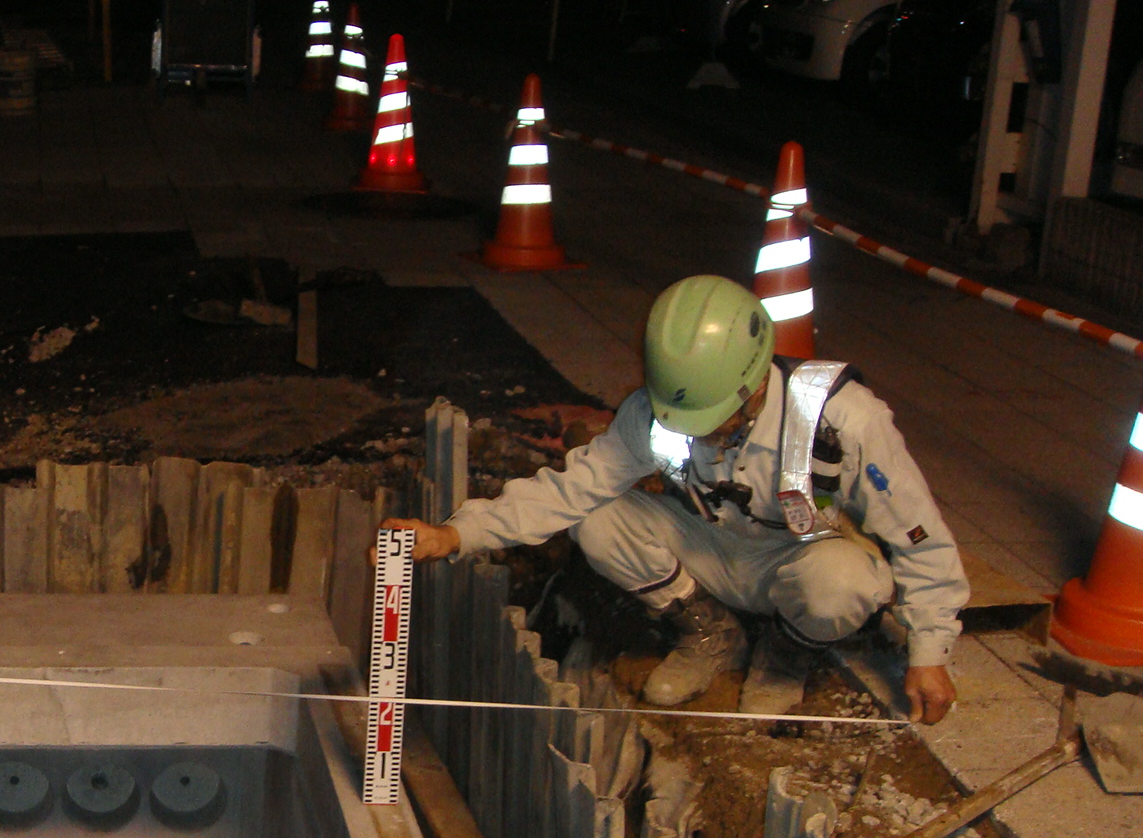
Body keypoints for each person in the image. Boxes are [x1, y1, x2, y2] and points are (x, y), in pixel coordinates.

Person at [383, 275, 967, 722]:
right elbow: (570, 490)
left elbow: (918, 535)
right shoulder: (661, 415)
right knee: (598, 521)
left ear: (758, 378)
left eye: (715, 418)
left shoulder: (843, 420)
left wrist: (930, 649)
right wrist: (458, 533)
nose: (699, 433)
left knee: (842, 585)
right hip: (711, 546)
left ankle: (787, 654)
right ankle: (711, 634)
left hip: (804, 556)